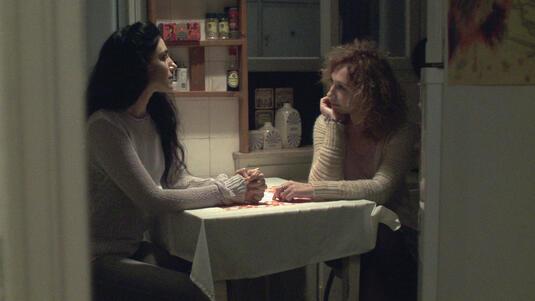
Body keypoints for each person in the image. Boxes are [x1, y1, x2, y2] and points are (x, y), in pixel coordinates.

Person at [86, 21, 266, 301]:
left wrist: (231, 182)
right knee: (191, 292)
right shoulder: (105, 126)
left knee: (224, 267)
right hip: (96, 259)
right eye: (163, 57)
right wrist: (228, 190)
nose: (172, 64)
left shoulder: (153, 117)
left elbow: (175, 180)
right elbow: (152, 198)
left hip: (134, 247)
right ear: (138, 67)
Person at [273, 39, 418, 301]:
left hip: (393, 232)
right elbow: (322, 183)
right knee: (365, 256)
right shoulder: (326, 124)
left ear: (368, 91)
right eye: (331, 85)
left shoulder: (399, 130)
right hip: (342, 230)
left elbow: (380, 189)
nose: (329, 95)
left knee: (375, 254)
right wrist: (334, 126)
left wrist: (313, 190)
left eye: (341, 88)